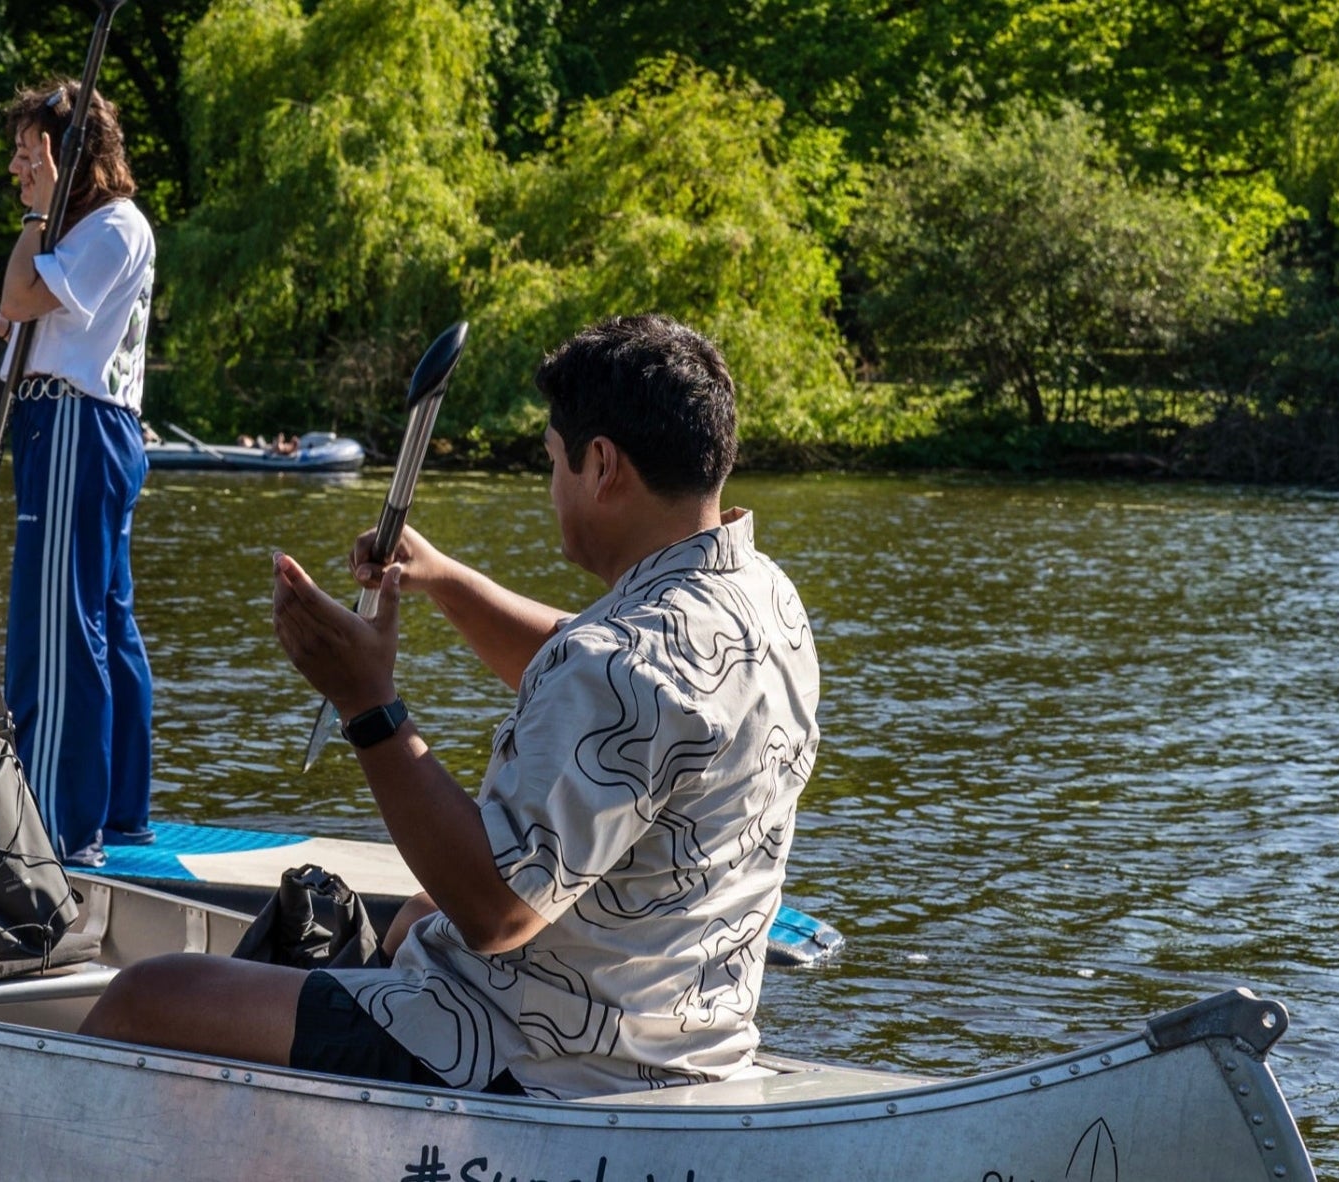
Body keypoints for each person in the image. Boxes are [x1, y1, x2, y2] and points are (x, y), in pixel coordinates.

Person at [79, 316, 822, 1100]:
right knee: (410, 918)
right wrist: (442, 578)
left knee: (149, 997)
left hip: (539, 1058)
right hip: (680, 1030)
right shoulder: (760, 598)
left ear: (601, 464)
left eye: (553, 463)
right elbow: (602, 679)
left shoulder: (619, 662)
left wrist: (367, 705)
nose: (553, 488)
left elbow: (496, 915)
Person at [0, 78, 156, 866]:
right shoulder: (101, 231)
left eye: (26, 153)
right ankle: (118, 811)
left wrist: (37, 215)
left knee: (60, 630)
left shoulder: (110, 224)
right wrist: (3, 323)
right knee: (103, 619)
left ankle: (62, 827)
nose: (15, 169)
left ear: (69, 155)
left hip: (74, 425)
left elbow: (25, 287)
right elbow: (46, 314)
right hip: (79, 420)